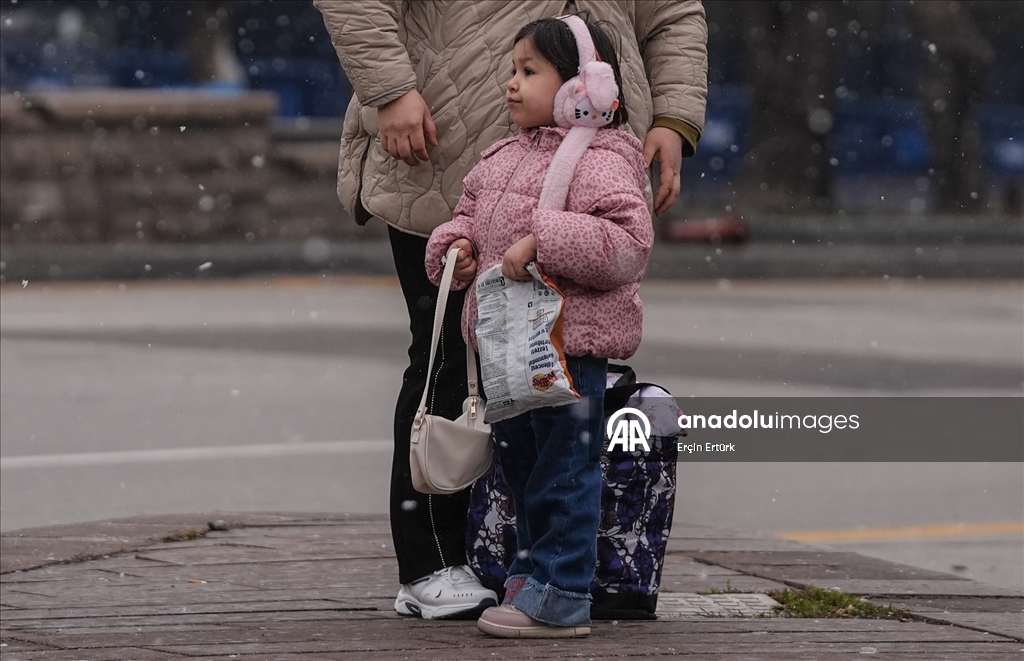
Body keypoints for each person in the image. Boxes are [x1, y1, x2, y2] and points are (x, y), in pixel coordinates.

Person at [313, 0, 707, 622]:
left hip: (588, 153)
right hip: (445, 150)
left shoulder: (605, 153)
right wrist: (389, 89)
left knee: (550, 395)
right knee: (448, 358)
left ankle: (533, 573)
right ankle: (433, 563)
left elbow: (674, 12)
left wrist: (676, 114)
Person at [423, 14, 652, 637]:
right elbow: (467, 213)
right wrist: (456, 245)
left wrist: (542, 240)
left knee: (563, 471)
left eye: (530, 72)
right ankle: (530, 581)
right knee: (521, 468)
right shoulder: (501, 155)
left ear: (586, 86)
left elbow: (628, 245)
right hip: (508, 351)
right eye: (512, 71)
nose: (512, 85)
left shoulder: (603, 160)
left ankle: (562, 594)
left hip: (566, 350)